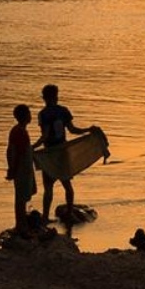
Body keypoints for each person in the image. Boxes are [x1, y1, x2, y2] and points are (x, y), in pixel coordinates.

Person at [36, 83, 97, 222]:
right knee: (67, 185)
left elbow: (45, 136)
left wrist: (33, 147)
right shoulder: (63, 111)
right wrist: (88, 130)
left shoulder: (43, 114)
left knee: (48, 187)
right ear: (56, 96)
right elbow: (73, 130)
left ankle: (45, 217)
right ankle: (69, 213)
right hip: (62, 152)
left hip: (50, 154)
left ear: (44, 98)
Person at [5, 103, 37, 233]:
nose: (31, 116)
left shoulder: (19, 130)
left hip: (22, 168)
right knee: (21, 199)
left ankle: (21, 223)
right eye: (29, 113)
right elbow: (15, 151)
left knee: (21, 197)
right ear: (25, 116)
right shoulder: (20, 132)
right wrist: (13, 168)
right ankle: (21, 225)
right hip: (21, 169)